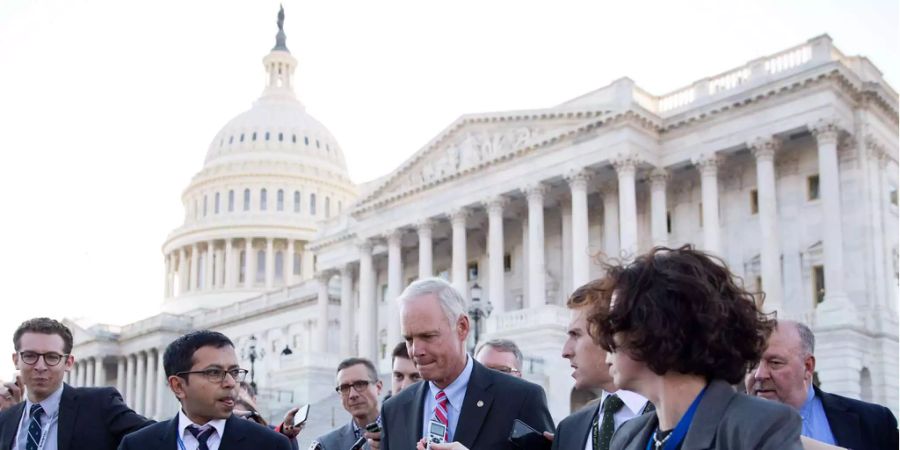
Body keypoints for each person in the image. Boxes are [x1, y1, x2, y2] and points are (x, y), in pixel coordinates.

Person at [586, 246, 803, 450]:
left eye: (615, 323)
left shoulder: (759, 427)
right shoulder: (628, 436)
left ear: (655, 327)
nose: (605, 340)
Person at [380, 277, 554, 450]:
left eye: (428, 336)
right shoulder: (393, 410)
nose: (416, 351)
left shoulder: (520, 399)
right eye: (409, 339)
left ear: (462, 327)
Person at [117, 330, 291, 450]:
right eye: (214, 372)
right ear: (178, 386)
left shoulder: (271, 445)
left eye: (234, 372)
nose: (230, 383)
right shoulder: (137, 445)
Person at [0, 317, 151, 450]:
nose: (40, 366)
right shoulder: (6, 420)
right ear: (16, 360)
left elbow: (159, 438)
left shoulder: (99, 405)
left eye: (52, 357)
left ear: (68, 363)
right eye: (30, 356)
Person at [746, 320, 898, 450]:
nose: (759, 374)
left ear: (808, 366)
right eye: (752, 363)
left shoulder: (874, 423)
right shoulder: (726, 430)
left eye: (775, 363)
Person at [550, 279, 650, 450]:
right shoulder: (568, 431)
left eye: (576, 335)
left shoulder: (679, 419)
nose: (565, 351)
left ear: (613, 335)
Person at [310, 358, 383, 450]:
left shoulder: (403, 431)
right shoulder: (325, 445)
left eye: (360, 384)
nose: (352, 395)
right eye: (344, 388)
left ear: (378, 387)